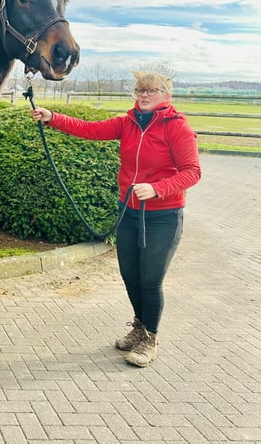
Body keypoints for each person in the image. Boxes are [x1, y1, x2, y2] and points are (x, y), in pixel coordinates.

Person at [31, 72, 201, 367]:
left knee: (150, 279)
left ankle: (150, 337)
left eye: (151, 90)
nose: (143, 95)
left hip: (163, 217)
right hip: (129, 212)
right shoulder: (128, 122)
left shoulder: (176, 127)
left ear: (166, 94)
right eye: (139, 90)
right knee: (130, 275)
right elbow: (90, 129)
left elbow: (192, 171)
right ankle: (139, 326)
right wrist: (52, 117)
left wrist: (158, 189)